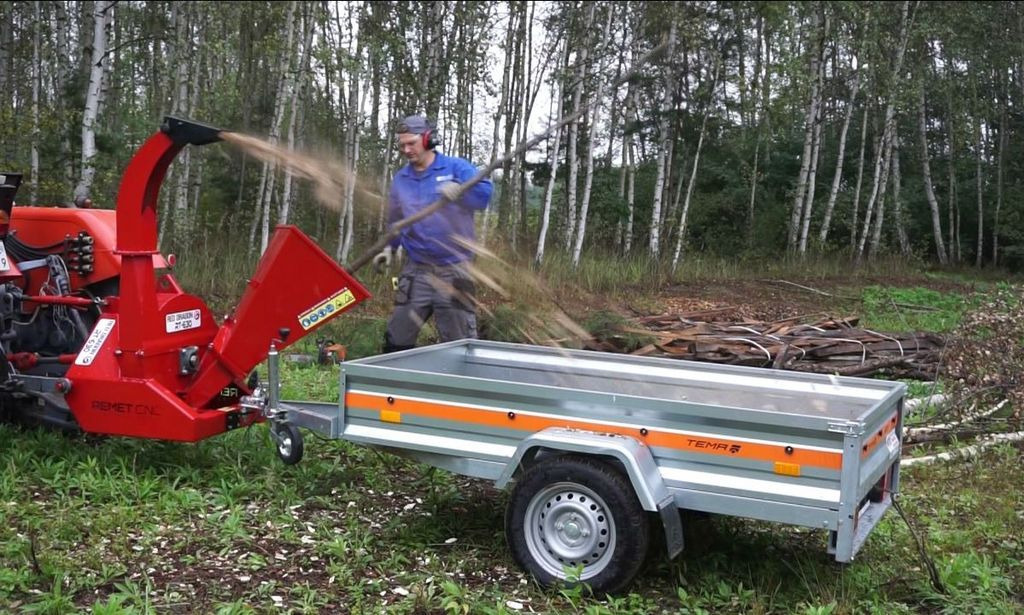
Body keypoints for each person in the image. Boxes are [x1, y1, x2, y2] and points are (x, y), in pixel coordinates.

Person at [374, 115, 494, 353]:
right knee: (397, 337)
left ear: (428, 140)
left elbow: (484, 197)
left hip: (454, 269)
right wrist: (390, 247)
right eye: (402, 145)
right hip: (416, 270)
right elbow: (397, 220)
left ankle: (462, 386)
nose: (406, 150)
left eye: (412, 143)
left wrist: (461, 193)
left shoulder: (456, 168)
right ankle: (398, 384)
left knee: (459, 343)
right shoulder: (401, 179)